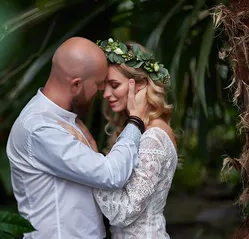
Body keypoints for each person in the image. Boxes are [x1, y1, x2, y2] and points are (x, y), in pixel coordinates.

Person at [6, 36, 149, 239]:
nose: (102, 93)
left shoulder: (64, 117)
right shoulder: (39, 128)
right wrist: (135, 122)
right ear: (75, 85)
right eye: (98, 85)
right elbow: (111, 174)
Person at [60, 38, 178, 238]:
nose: (106, 94)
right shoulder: (139, 131)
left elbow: (123, 213)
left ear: (140, 85)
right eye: (105, 86)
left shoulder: (154, 136)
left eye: (114, 85)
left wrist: (89, 160)